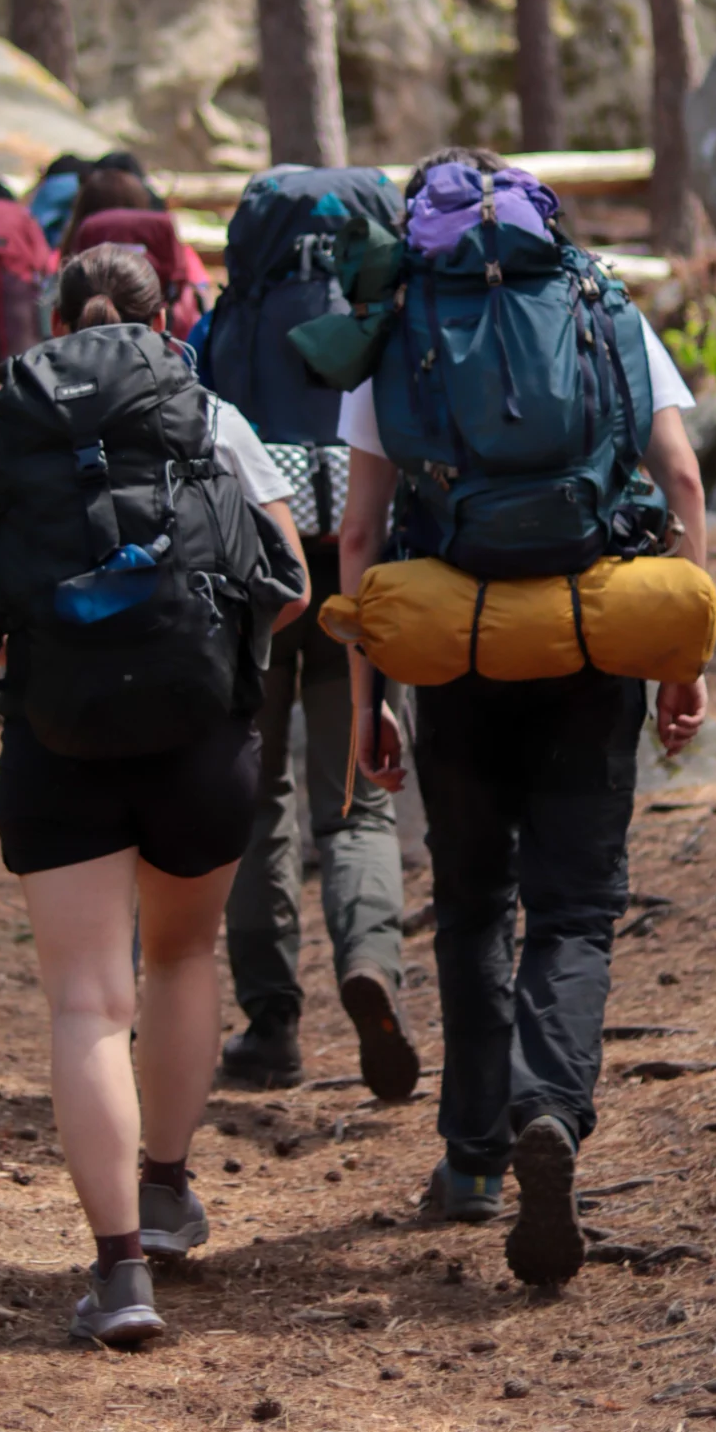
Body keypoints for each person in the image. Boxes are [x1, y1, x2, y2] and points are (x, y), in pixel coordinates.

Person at [337, 147, 708, 1284]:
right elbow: (684, 487)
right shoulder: (599, 303)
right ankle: (551, 1109)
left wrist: (371, 701)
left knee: (470, 904)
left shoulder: (396, 324)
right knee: (577, 906)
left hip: (456, 650)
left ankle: (472, 1159)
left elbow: (356, 537)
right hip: (595, 637)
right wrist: (683, 664)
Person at [0, 244, 309, 1348]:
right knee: (183, 956)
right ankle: (168, 1185)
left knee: (87, 1002)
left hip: (60, 739)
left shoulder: (4, 429)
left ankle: (120, 1273)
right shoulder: (210, 416)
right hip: (200, 737)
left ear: (54, 320)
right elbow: (290, 581)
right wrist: (209, 649)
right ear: (170, 316)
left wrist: (49, 651)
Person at [202, 164, 417, 1100]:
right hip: (358, 588)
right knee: (359, 797)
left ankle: (270, 1022)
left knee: (260, 802)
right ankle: (371, 964)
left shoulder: (226, 329)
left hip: (256, 588)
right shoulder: (391, 329)